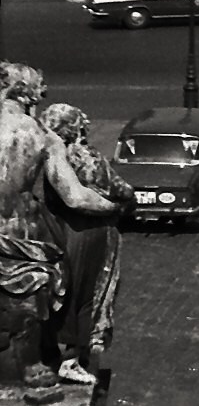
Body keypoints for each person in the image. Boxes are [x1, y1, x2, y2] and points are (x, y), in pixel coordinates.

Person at [0, 64, 121, 394]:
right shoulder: (40, 135)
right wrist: (114, 206)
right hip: (18, 229)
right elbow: (75, 197)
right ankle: (31, 366)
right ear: (29, 96)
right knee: (32, 289)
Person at [40, 103, 133, 385]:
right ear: (77, 128)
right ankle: (74, 358)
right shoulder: (85, 157)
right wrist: (120, 203)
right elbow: (121, 189)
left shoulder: (50, 157)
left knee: (65, 292)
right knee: (87, 294)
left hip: (62, 229)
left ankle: (60, 353)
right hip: (91, 232)